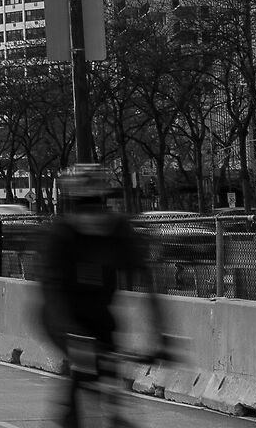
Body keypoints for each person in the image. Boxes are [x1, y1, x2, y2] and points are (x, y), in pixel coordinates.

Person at [37, 162, 170, 428]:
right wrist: (72, 336)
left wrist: (160, 335)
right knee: (85, 368)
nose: (91, 213)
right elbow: (51, 293)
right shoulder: (61, 236)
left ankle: (111, 414)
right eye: (82, 205)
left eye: (97, 203)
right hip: (61, 316)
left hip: (100, 315)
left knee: (109, 375)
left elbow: (147, 281)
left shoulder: (119, 230)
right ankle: (70, 419)